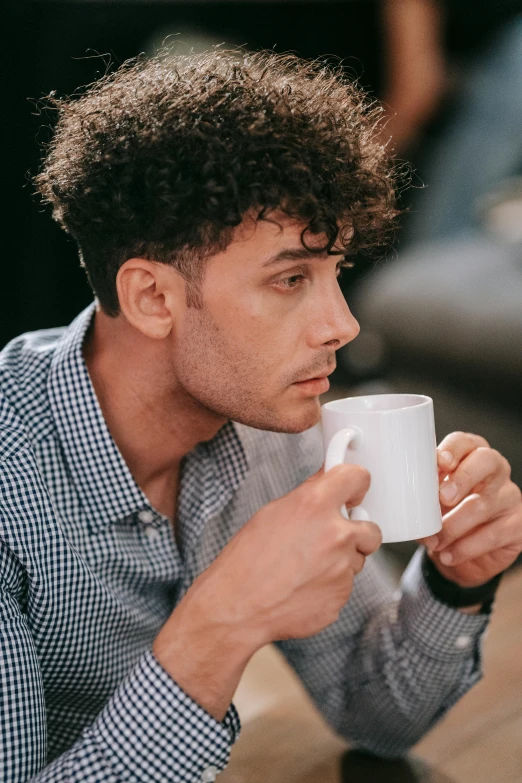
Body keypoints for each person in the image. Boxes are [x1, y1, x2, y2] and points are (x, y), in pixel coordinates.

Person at [1, 51, 521, 783]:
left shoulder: (276, 435)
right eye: (289, 279)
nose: (343, 324)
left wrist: (454, 582)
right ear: (154, 298)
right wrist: (226, 619)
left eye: (335, 271)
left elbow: (376, 712)